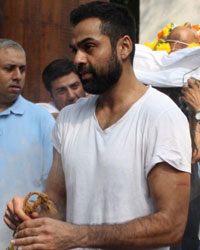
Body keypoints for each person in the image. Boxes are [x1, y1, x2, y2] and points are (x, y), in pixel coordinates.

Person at [4, 2, 192, 250]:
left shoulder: (161, 116)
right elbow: (56, 206)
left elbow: (172, 225)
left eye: (89, 47)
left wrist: (77, 236)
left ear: (124, 47)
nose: (78, 59)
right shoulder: (68, 120)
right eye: (75, 50)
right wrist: (32, 219)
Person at [0, 38, 55, 249]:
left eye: (22, 69)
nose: (18, 76)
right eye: (9, 68)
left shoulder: (41, 120)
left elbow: (53, 191)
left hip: (23, 240)